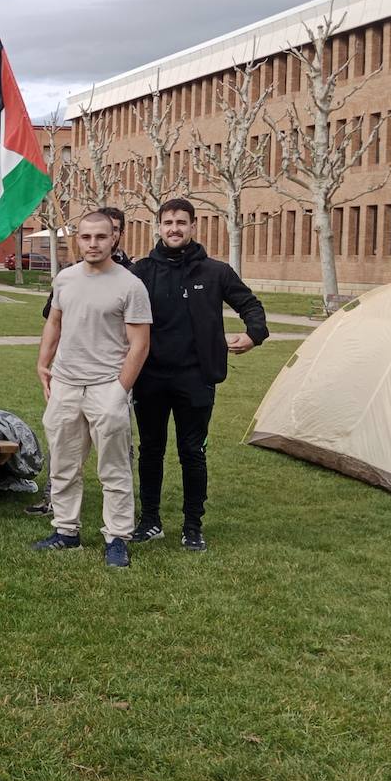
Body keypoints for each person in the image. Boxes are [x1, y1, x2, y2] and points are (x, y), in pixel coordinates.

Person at [129, 198, 269, 552]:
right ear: (158, 227)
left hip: (196, 378)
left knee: (192, 452)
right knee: (151, 451)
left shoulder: (215, 272)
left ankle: (193, 526)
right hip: (150, 377)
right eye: (167, 223)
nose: (174, 228)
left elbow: (250, 304)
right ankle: (150, 521)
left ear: (193, 226)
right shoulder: (141, 271)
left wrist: (254, 335)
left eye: (181, 222)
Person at [32, 210, 151, 568]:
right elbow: (55, 321)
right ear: (77, 239)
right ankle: (66, 531)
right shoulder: (65, 279)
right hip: (66, 385)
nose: (93, 243)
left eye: (101, 237)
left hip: (106, 387)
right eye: (86, 237)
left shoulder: (130, 285)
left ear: (113, 238)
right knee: (64, 465)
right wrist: (43, 363)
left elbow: (140, 344)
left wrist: (119, 390)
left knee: (114, 469)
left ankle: (117, 537)